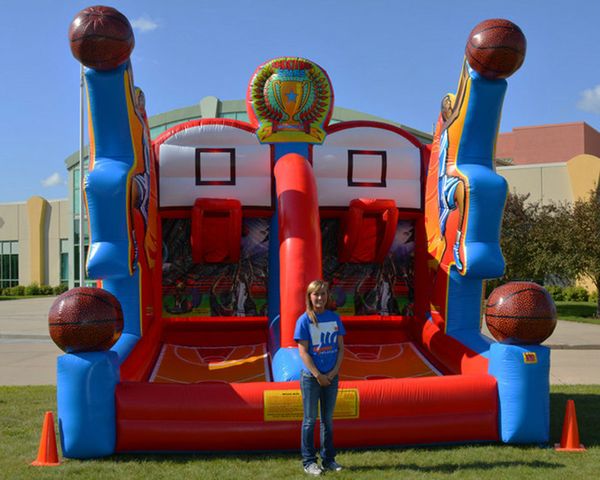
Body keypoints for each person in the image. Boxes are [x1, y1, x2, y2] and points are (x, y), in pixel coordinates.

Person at [294, 280, 346, 475]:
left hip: (331, 378)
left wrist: (331, 374)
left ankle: (328, 459)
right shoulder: (304, 321)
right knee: (309, 420)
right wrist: (318, 375)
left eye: (323, 294)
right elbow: (303, 352)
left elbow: (341, 348)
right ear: (310, 297)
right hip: (311, 378)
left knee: (328, 420)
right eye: (316, 294)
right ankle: (308, 462)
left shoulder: (334, 318)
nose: (320, 298)